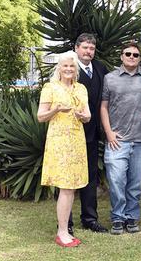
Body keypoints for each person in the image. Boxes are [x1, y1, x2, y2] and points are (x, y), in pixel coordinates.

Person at [37, 51, 91, 248]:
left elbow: (88, 116)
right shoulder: (50, 88)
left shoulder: (81, 89)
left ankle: (64, 229)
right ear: (59, 68)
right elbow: (41, 116)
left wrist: (81, 115)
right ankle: (62, 232)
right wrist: (56, 110)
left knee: (71, 187)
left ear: (76, 69)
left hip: (76, 140)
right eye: (65, 66)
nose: (68, 69)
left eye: (72, 66)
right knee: (66, 187)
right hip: (58, 143)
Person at [100, 40, 141, 235]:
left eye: (135, 55)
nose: (131, 57)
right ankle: (117, 217)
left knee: (136, 183)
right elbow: (103, 107)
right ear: (121, 57)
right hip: (117, 140)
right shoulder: (109, 78)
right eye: (128, 54)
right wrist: (109, 132)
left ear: (140, 59)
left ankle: (132, 217)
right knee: (116, 180)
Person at [74, 33, 109, 234]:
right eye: (85, 47)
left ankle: (89, 219)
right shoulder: (68, 67)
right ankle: (66, 221)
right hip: (71, 133)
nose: (88, 52)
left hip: (93, 134)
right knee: (68, 178)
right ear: (77, 47)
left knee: (90, 176)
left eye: (92, 48)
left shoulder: (100, 68)